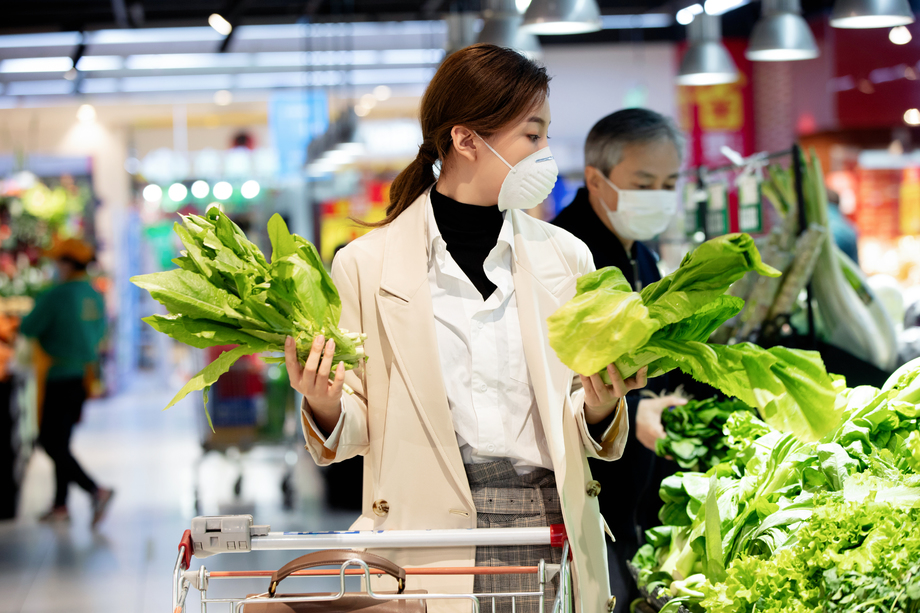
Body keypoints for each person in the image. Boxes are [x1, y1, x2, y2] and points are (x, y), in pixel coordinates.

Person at [284, 44, 647, 613]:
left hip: (550, 532)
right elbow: (355, 429)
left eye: (546, 134)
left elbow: (580, 418)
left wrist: (602, 406)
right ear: (465, 139)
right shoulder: (366, 265)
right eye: (532, 135)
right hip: (427, 539)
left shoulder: (568, 258)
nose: (546, 152)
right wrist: (323, 402)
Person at [551, 108, 698, 611]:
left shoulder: (642, 252)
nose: (659, 194)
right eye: (644, 181)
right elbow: (556, 378)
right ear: (596, 178)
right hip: (587, 496)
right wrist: (634, 414)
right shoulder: (566, 255)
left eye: (669, 182)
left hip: (634, 489)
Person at [20, 238, 113, 527]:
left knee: (50, 442)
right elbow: (100, 333)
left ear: (68, 264)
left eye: (58, 261)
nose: (55, 267)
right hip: (82, 377)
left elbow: (28, 326)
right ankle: (60, 505)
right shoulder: (94, 294)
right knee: (62, 441)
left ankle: (96, 490)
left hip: (57, 375)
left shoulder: (57, 295)